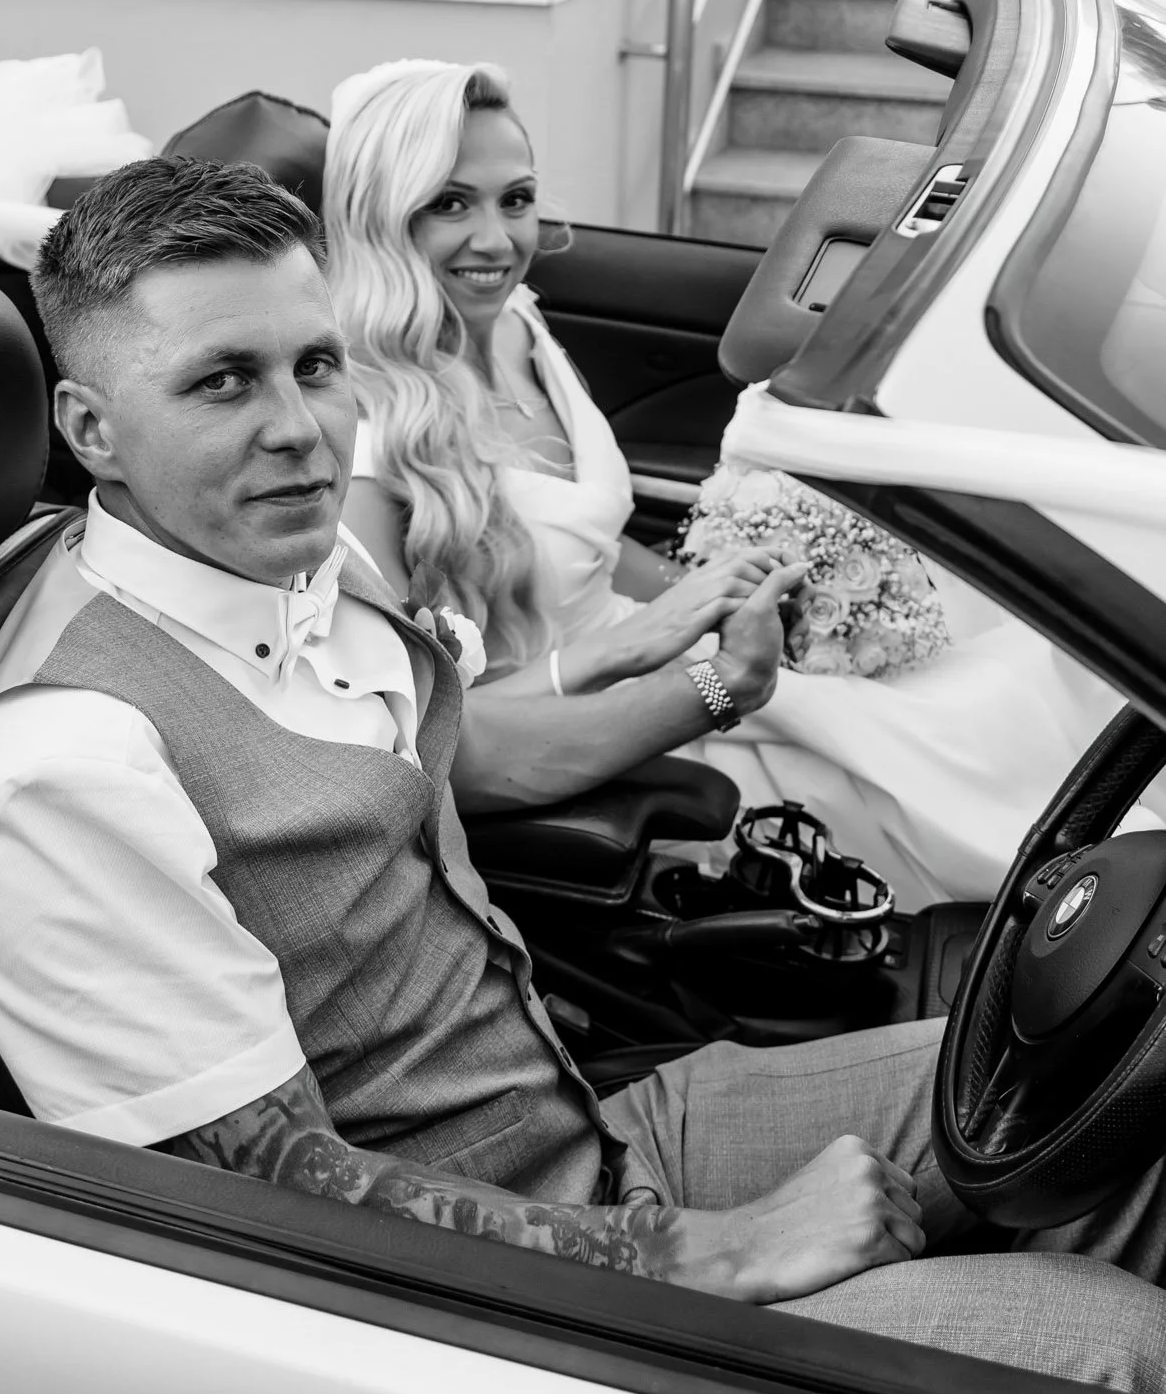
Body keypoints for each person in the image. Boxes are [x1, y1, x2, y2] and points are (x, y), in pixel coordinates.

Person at [0, 155, 1166, 1394]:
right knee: (1122, 1344)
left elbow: (452, 745)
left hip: (597, 1127)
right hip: (507, 1315)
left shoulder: (282, 559)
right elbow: (261, 1188)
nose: (300, 427)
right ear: (90, 427)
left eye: (314, 364)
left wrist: (685, 670)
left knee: (1094, 1088)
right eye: (220, 383)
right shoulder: (63, 769)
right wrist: (706, 1249)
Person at [323, 57, 1151, 912]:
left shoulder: (513, 323)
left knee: (1021, 651)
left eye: (516, 199)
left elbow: (596, 552)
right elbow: (429, 731)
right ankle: (1092, 918)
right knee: (949, 744)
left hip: (671, 643)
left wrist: (735, 587)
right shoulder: (360, 438)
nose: (496, 240)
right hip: (598, 720)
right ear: (377, 217)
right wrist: (686, 662)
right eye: (448, 203)